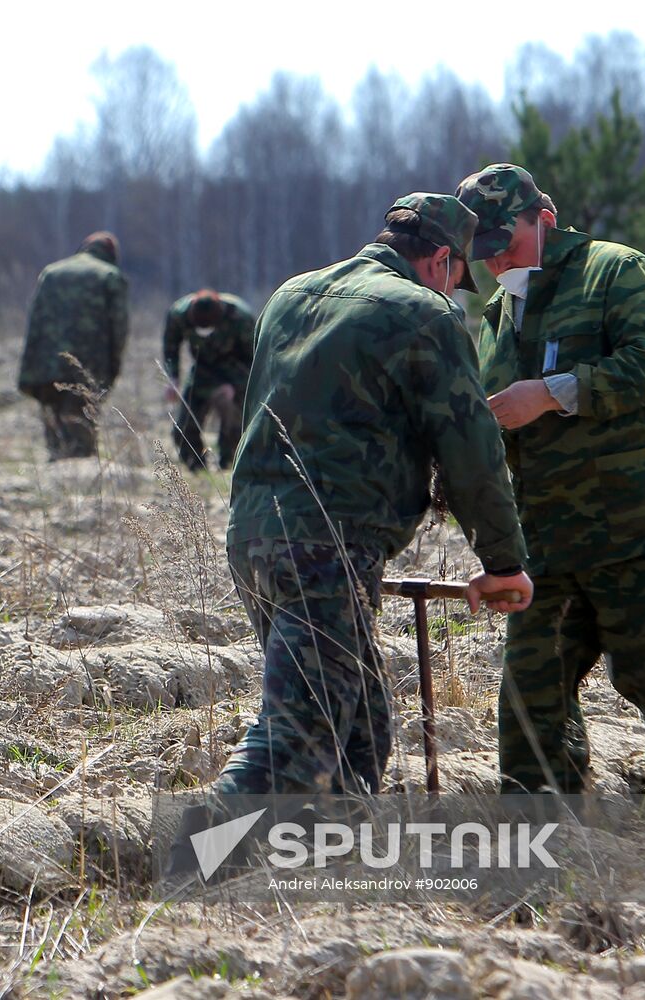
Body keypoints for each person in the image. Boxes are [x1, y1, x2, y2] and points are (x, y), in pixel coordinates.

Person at [212, 193, 534, 800]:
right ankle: (195, 850)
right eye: (456, 280)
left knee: (359, 727)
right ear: (440, 260)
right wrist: (503, 563)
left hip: (253, 536)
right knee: (298, 736)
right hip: (325, 548)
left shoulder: (290, 295)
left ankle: (329, 854)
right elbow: (471, 453)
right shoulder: (425, 314)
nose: (453, 293)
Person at [455, 162, 645, 795]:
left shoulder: (617, 273)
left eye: (507, 244)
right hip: (547, 543)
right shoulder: (498, 314)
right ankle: (539, 824)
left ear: (544, 219)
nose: (497, 263)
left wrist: (549, 394)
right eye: (484, 253)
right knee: (531, 688)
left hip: (636, 531)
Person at [17, 232, 129, 460]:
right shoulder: (109, 275)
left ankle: (56, 469)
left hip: (46, 362)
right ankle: (78, 474)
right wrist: (113, 368)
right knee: (80, 430)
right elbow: (119, 328)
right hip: (88, 365)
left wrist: (30, 365)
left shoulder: (51, 272)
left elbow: (34, 321)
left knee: (54, 429)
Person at [162, 289, 256, 471]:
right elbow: (170, 347)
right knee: (183, 427)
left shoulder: (240, 317)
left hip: (234, 370)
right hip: (201, 370)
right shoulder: (178, 315)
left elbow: (254, 358)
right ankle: (197, 468)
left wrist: (236, 385)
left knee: (234, 424)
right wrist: (173, 378)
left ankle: (229, 466)